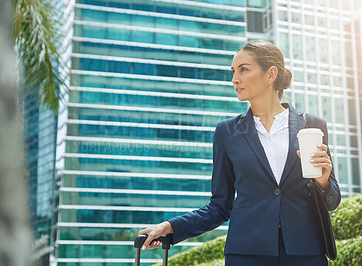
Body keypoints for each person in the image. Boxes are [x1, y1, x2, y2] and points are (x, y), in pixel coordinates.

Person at [138, 40, 341, 265]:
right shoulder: (226, 132)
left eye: (244, 69)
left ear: (271, 73)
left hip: (305, 252)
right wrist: (170, 227)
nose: (235, 79)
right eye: (234, 71)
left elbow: (332, 201)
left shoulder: (312, 125)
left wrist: (323, 182)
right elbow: (219, 206)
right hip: (247, 253)